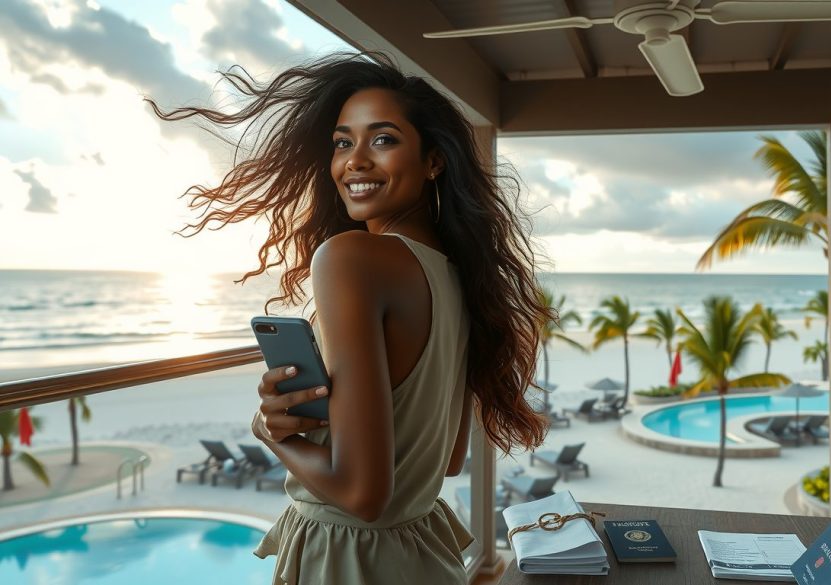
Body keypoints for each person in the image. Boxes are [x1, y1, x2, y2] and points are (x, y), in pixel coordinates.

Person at [149, 51, 553, 584]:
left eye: (382, 139)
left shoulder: (350, 259)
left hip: (349, 563)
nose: (355, 160)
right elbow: (448, 460)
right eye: (344, 142)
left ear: (434, 160)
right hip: (420, 547)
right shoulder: (460, 277)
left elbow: (363, 496)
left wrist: (274, 435)